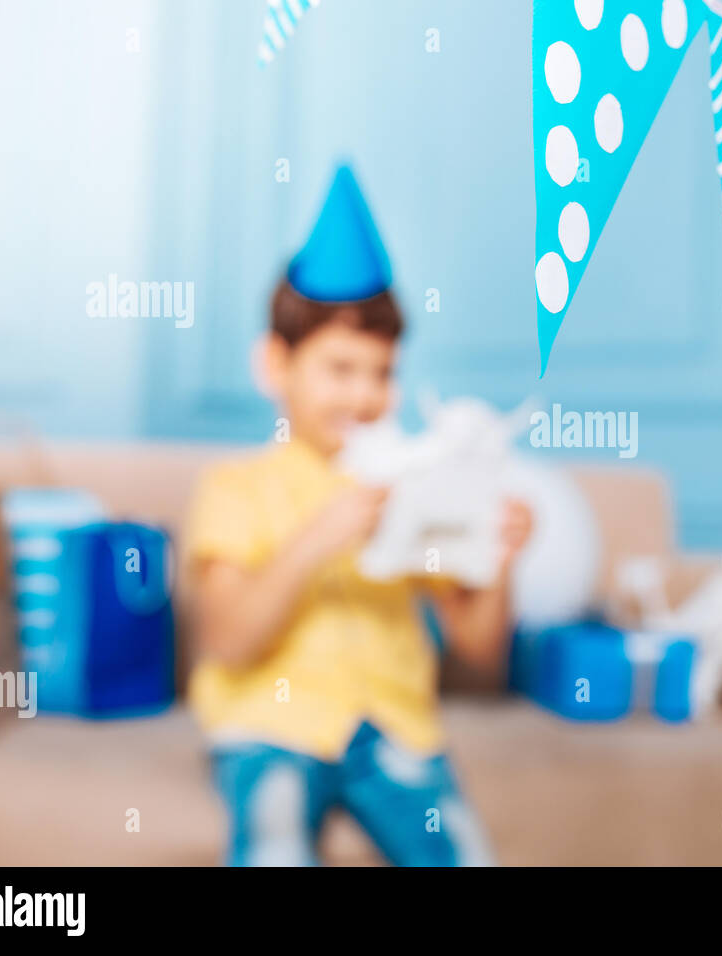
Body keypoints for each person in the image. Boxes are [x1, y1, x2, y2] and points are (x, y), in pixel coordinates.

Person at [183, 164, 531, 866]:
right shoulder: (235, 487)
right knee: (274, 846)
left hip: (397, 733)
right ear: (274, 365)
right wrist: (320, 537)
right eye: (340, 370)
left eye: (383, 372)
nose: (366, 396)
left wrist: (496, 562)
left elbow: (481, 651)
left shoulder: (410, 482)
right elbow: (227, 638)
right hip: (271, 726)